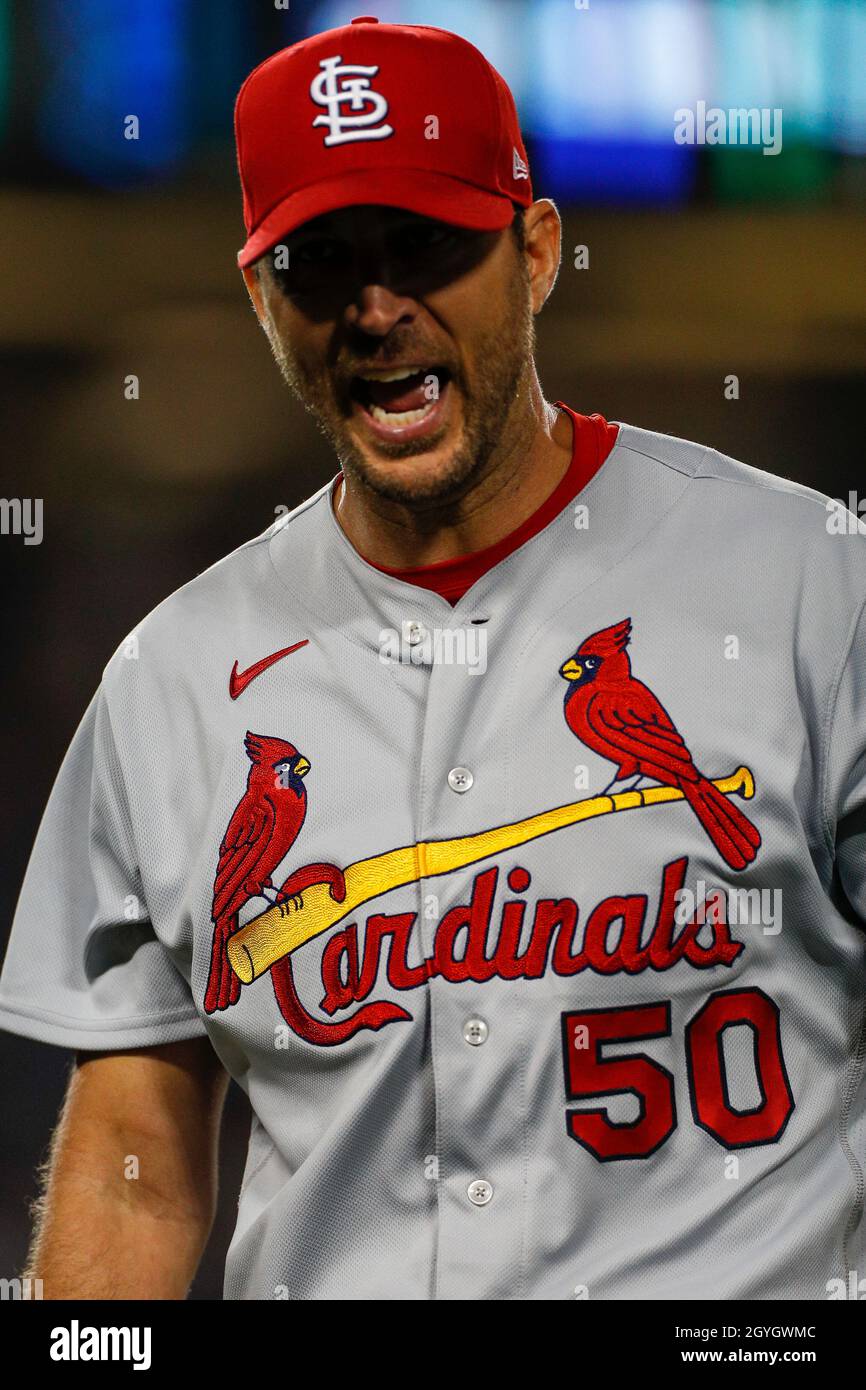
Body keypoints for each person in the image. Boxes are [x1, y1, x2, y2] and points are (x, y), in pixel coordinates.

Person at [2, 15, 865, 1301]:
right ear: (257, 296)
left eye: (425, 246)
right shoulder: (173, 679)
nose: (374, 306)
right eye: (318, 263)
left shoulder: (809, 583)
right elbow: (138, 1155)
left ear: (535, 251)